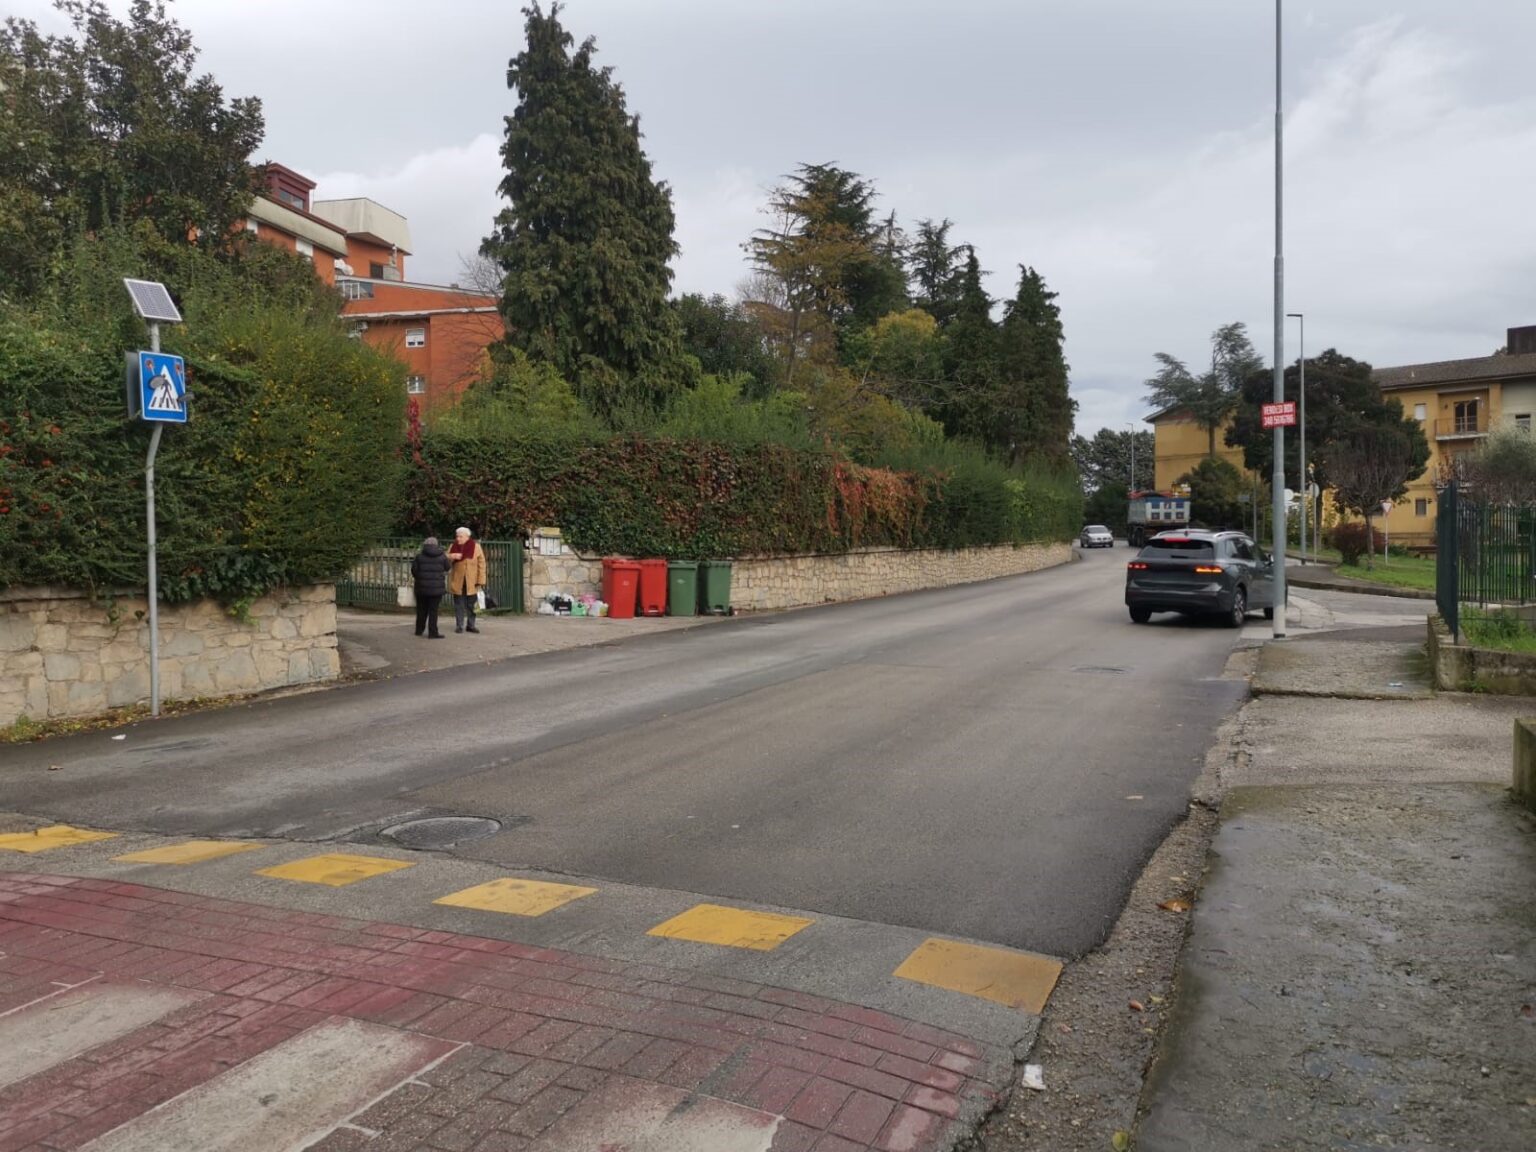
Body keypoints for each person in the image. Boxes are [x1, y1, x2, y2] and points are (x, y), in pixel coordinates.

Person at [447, 526, 487, 634]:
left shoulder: (476, 547)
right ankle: (459, 626)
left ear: (467, 537)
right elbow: (446, 563)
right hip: (458, 581)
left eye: (460, 536)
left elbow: (482, 565)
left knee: (472, 605)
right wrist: (451, 556)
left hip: (473, 582)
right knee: (459, 605)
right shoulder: (453, 546)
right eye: (457, 536)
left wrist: (481, 580)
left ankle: (471, 625)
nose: (458, 539)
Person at [410, 536, 450, 639]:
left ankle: (419, 630)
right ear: (436, 545)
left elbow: (414, 570)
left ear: (425, 545)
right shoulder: (442, 556)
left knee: (421, 610)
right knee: (433, 611)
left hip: (421, 588)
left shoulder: (419, 556)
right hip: (436, 589)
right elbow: (447, 567)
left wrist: (420, 578)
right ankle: (433, 632)